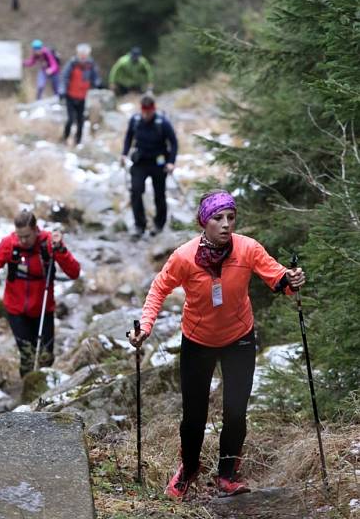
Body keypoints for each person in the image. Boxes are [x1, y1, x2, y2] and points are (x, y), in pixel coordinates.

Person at [129, 190, 306, 500]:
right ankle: (189, 469)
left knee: (236, 411)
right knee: (194, 415)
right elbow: (159, 288)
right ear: (204, 222)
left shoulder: (247, 248)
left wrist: (291, 280)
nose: (226, 225)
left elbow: (276, 277)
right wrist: (145, 326)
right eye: (218, 218)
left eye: (231, 218)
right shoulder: (184, 257)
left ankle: (227, 474)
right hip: (197, 341)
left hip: (239, 337)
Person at [0, 209, 80, 377]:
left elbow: (74, 272)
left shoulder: (49, 243)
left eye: (27, 236)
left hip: (43, 309)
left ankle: (45, 391)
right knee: (28, 356)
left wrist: (61, 249)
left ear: (35, 230)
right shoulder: (9, 244)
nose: (23, 240)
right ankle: (27, 392)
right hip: (16, 311)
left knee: (46, 358)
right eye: (20, 236)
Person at [121, 94, 178, 237]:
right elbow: (129, 137)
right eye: (144, 112)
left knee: (159, 194)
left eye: (149, 112)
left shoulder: (162, 123)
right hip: (140, 162)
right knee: (136, 191)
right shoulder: (135, 120)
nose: (146, 115)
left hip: (159, 164)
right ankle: (139, 225)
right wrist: (124, 153)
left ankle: (159, 224)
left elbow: (174, 142)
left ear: (153, 109)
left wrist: (171, 162)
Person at [60, 43, 101, 146]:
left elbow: (95, 77)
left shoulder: (90, 65)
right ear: (78, 53)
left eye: (85, 54)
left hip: (82, 97)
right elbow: (64, 77)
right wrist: (62, 91)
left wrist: (98, 84)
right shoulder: (72, 63)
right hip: (70, 95)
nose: (83, 56)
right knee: (70, 119)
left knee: (80, 120)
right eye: (81, 53)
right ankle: (65, 138)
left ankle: (77, 141)